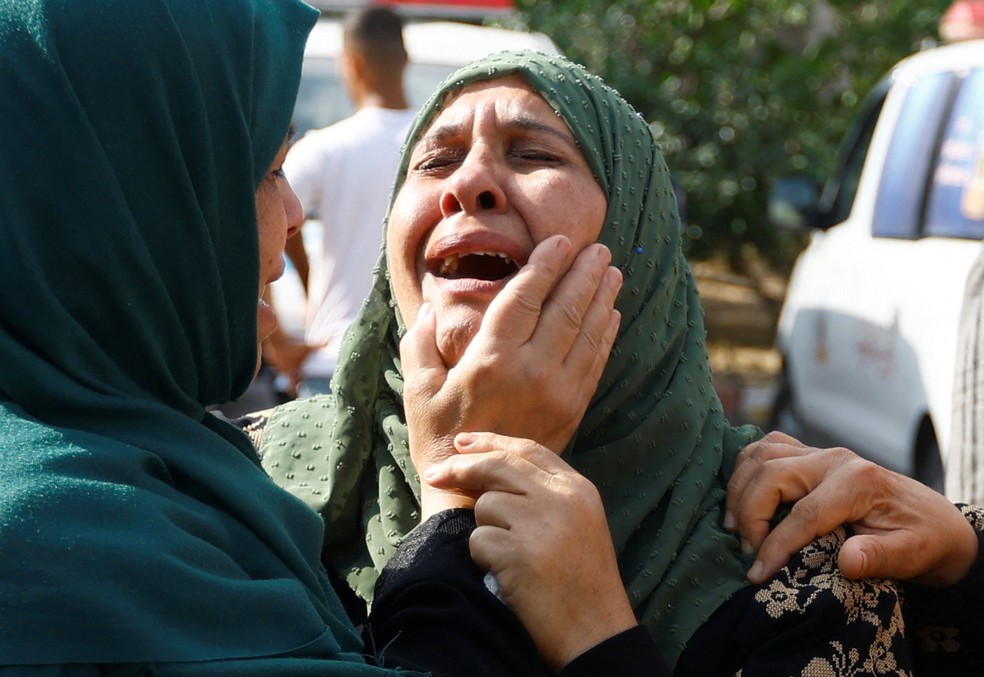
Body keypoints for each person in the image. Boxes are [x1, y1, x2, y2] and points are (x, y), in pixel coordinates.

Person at [257, 49, 984, 675]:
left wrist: (599, 635)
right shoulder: (251, 495)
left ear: (642, 245)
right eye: (435, 159)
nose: (467, 184)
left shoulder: (792, 558)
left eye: (534, 154)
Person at [0, 2, 662, 674]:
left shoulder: (755, 528)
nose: (294, 217)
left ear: (646, 230)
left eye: (532, 154)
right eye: (264, 169)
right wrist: (461, 510)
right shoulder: (63, 538)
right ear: (131, 202)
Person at [265, 6, 417, 397]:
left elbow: (261, 222)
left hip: (334, 364)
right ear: (405, 59)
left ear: (350, 63)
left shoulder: (325, 149)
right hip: (421, 367)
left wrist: (278, 341)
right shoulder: (442, 146)